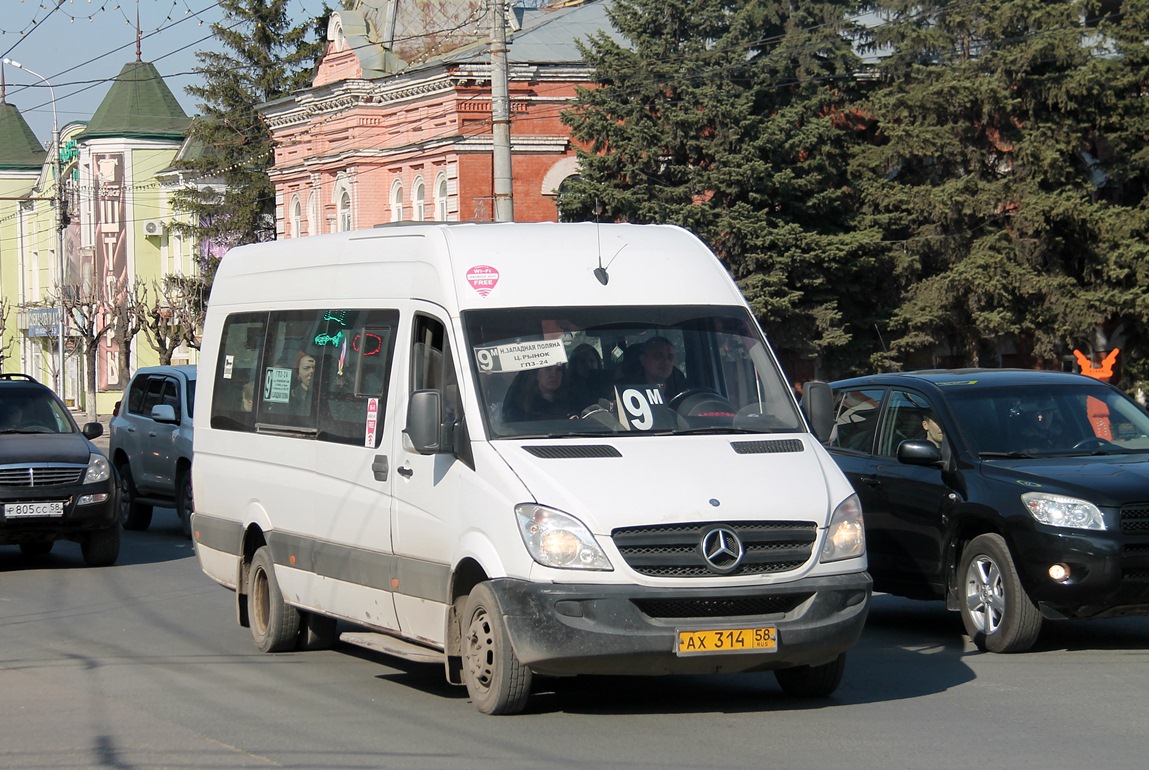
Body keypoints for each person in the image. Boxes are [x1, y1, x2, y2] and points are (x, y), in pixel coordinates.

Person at [502, 364, 571, 422]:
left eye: (559, 370)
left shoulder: (572, 402)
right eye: (548, 369)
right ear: (536, 374)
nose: (554, 375)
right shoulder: (520, 407)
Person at [567, 343, 605, 411]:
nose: (588, 365)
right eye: (583, 362)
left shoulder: (606, 386)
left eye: (592, 360)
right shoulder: (568, 391)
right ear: (575, 366)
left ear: (598, 362)